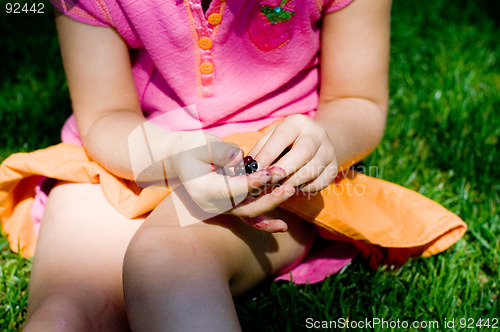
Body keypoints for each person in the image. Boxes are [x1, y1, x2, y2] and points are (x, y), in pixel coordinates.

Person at [0, 0, 465, 330]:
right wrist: (171, 158)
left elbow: (356, 101)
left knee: (167, 264)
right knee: (62, 319)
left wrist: (323, 144)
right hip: (126, 158)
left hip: (269, 169)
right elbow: (105, 117)